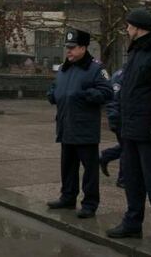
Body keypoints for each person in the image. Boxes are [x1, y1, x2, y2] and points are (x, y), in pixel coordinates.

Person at [106, 8, 151, 255]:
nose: (126, 30)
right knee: (133, 181)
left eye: (128, 26)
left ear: (137, 27)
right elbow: (129, 89)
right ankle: (132, 223)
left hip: (150, 131)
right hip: (131, 128)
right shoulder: (136, 49)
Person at [46, 29, 112, 219]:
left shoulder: (95, 68)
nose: (69, 51)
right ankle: (67, 197)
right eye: (67, 48)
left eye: (72, 48)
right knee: (67, 166)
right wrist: (52, 95)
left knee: (89, 169)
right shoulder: (65, 68)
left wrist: (87, 95)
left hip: (84, 127)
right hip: (66, 124)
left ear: (83, 48)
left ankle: (90, 203)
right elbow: (55, 87)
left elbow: (107, 92)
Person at [100, 68, 126, 188]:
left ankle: (106, 156)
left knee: (127, 147)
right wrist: (113, 119)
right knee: (128, 149)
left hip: (130, 119)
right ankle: (123, 178)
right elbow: (113, 99)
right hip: (121, 119)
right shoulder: (120, 75)